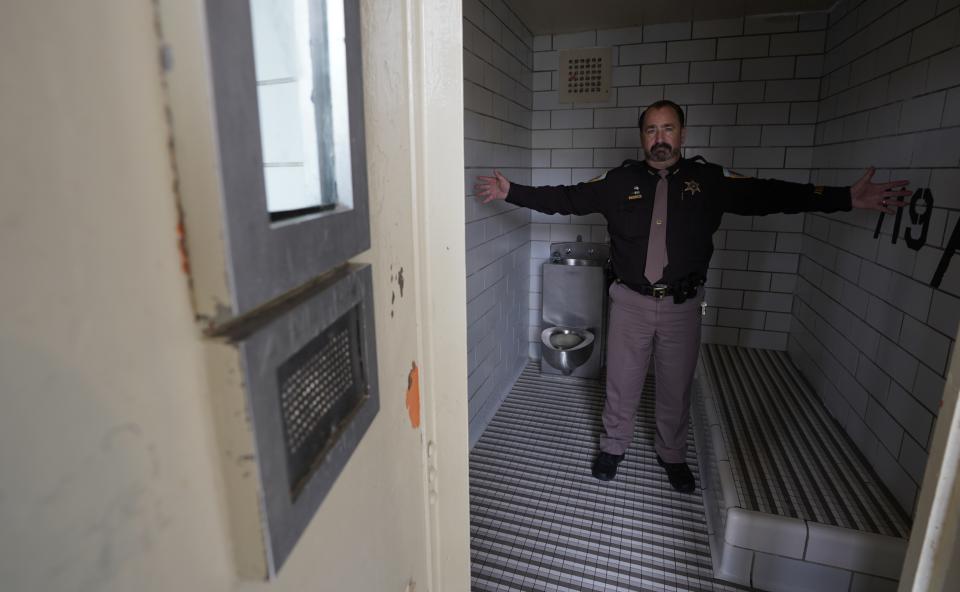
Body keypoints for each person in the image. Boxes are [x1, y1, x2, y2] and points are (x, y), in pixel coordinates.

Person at [474, 99, 910, 493]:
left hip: (683, 306)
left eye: (668, 129)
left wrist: (845, 199)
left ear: (682, 134)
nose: (659, 138)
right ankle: (613, 447)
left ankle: (672, 455)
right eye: (651, 130)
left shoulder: (710, 180)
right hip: (629, 303)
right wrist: (511, 191)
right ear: (641, 136)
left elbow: (772, 193)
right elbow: (564, 199)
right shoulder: (617, 180)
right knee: (621, 383)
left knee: (676, 385)